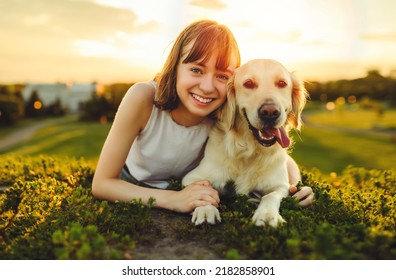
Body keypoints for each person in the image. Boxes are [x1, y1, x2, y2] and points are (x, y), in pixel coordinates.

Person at [92, 20, 314, 214]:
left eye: (221, 75)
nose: (207, 87)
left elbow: (275, 152)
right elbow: (102, 183)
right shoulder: (142, 97)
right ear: (175, 66)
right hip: (131, 184)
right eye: (196, 70)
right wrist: (174, 199)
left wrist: (293, 184)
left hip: (188, 188)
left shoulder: (226, 111)